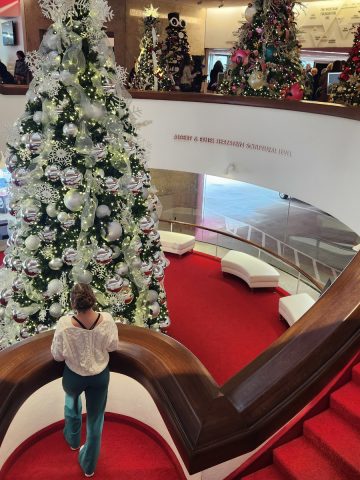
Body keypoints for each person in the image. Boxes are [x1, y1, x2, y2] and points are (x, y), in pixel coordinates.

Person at [51, 283, 120, 477]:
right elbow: (113, 346)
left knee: (71, 405)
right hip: (99, 377)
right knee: (96, 419)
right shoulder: (106, 319)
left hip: (73, 376)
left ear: (73, 302)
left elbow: (57, 355)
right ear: (92, 298)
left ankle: (73, 440)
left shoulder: (65, 324)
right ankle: (89, 465)